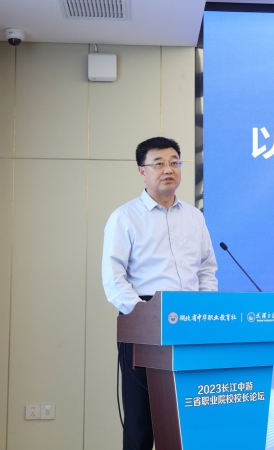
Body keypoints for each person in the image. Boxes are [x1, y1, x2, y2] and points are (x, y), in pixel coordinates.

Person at [101, 136, 218, 450]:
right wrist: (145, 316)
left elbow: (207, 269)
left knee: (186, 417)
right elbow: (113, 277)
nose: (168, 169)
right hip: (144, 322)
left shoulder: (194, 217)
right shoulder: (125, 217)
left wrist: (205, 309)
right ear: (142, 171)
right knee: (141, 421)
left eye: (174, 162)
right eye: (159, 164)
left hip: (190, 322)